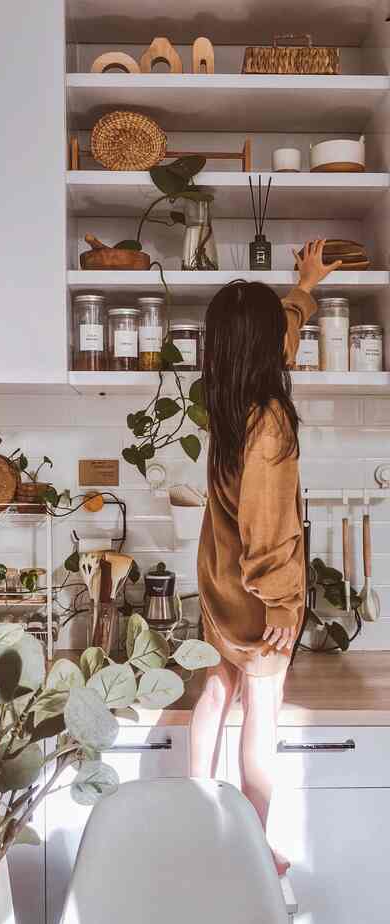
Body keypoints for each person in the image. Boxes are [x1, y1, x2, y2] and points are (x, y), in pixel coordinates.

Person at [190, 240, 341, 875]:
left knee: (216, 689)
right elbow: (270, 523)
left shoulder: (224, 400)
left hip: (219, 584)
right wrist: (282, 599)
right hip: (259, 596)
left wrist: (304, 289)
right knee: (262, 707)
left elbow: (280, 331)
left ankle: (197, 822)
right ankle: (251, 848)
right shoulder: (270, 421)